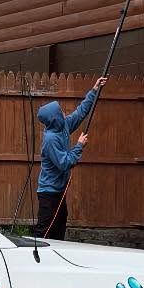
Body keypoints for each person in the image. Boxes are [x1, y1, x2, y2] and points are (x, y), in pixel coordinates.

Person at [34, 79, 107, 239]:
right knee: (45, 231)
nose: (63, 113)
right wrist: (79, 146)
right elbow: (64, 163)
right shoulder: (50, 139)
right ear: (54, 118)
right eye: (59, 112)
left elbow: (81, 112)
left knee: (59, 229)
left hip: (59, 191)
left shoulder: (64, 126)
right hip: (49, 193)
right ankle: (36, 259)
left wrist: (94, 89)